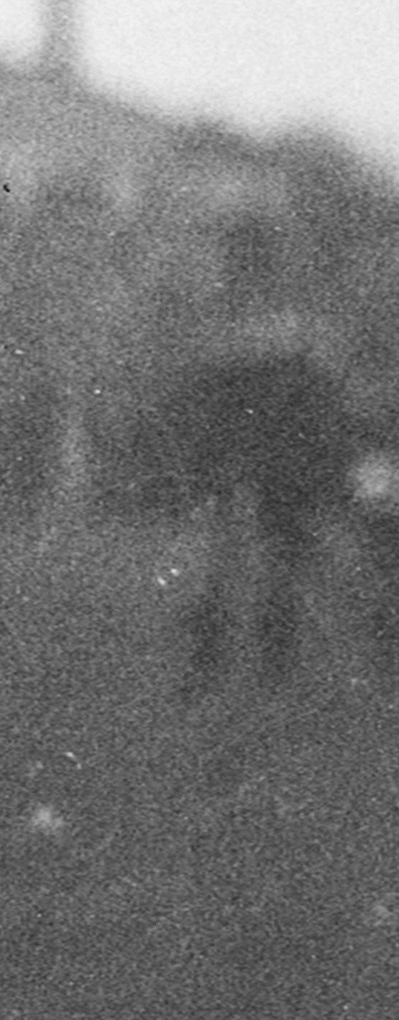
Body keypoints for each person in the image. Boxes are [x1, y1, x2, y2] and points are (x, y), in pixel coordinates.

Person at [153, 233, 364, 689]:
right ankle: (256, 653)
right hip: (271, 448)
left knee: (240, 551)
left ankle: (235, 653)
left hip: (257, 447)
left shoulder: (231, 318)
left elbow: (201, 385)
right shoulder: (293, 320)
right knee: (258, 552)